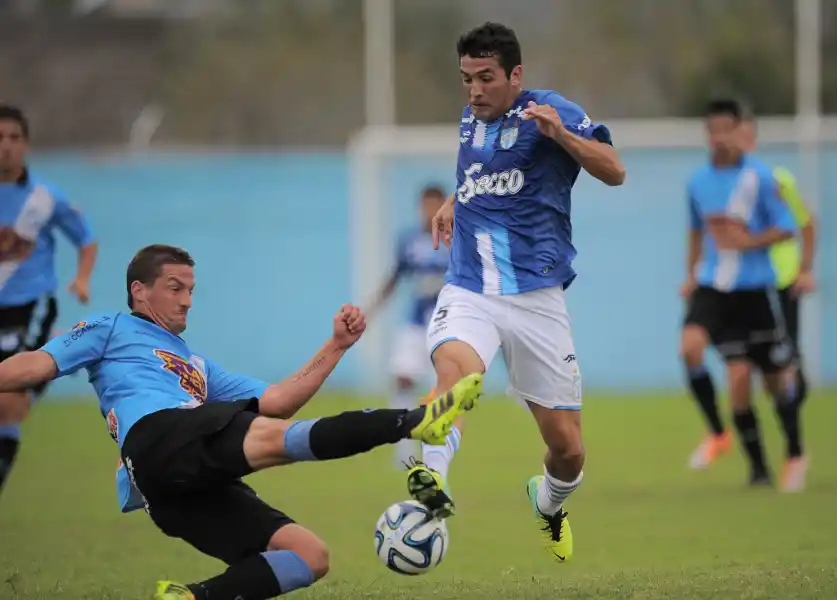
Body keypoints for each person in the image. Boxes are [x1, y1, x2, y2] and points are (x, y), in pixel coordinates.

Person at [0, 244, 481, 600]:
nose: (187, 300)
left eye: (191, 290)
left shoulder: (197, 367)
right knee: (281, 441)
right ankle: (416, 421)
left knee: (308, 555)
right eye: (175, 288)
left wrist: (336, 346)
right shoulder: (110, 327)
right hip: (159, 436)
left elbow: (279, 399)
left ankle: (191, 597)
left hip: (172, 488)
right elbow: (34, 366)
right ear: (138, 291)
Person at [405, 22, 626, 563]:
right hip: (470, 289)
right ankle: (431, 479)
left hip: (537, 299)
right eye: (467, 79)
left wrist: (562, 136)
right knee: (455, 374)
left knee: (568, 449)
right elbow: (482, 175)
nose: (475, 90)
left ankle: (548, 504)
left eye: (486, 78)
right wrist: (454, 202)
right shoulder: (471, 120)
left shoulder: (549, 111)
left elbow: (615, 171)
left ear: (515, 75)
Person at [683, 115, 814, 492]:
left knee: (781, 381)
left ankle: (795, 452)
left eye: (738, 135)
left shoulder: (770, 179)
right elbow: (699, 232)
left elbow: (803, 224)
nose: (727, 141)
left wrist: (804, 269)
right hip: (722, 292)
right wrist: (692, 274)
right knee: (734, 375)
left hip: (771, 290)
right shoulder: (703, 182)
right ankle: (754, 465)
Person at [0, 104, 98, 496]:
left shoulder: (44, 198)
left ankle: (54, 348)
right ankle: (63, 351)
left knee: (10, 405)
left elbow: (86, 239)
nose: (6, 146)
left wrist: (82, 278)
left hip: (31, 310)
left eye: (13, 138)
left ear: (25, 144)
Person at [367, 184, 452, 466]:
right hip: (416, 323)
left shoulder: (456, 239)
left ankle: (438, 452)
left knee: (443, 387)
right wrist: (371, 309)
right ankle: (404, 450)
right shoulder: (409, 240)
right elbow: (396, 275)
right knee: (402, 378)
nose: (430, 211)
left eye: (435, 205)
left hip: (447, 324)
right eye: (426, 206)